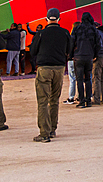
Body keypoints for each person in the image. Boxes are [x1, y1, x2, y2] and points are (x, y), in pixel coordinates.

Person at [30, 8, 73, 142]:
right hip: (59, 68)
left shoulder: (41, 33)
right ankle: (53, 129)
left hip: (44, 68)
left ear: (46, 19)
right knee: (54, 100)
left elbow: (32, 51)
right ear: (59, 19)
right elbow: (70, 50)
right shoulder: (65, 33)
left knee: (43, 100)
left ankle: (44, 132)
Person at [70, 13, 99, 108]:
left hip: (78, 56)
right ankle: (88, 100)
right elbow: (98, 43)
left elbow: (71, 42)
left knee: (79, 79)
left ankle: (81, 100)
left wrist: (71, 55)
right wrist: (95, 55)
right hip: (89, 56)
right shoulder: (93, 29)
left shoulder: (77, 29)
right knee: (88, 78)